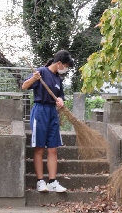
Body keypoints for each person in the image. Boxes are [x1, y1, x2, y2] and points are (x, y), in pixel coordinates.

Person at [22, 50, 74, 193]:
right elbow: (24, 86)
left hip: (52, 112)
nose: (66, 69)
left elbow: (60, 95)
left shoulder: (58, 79)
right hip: (40, 111)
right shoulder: (41, 72)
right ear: (59, 63)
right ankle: (40, 181)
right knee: (39, 148)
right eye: (66, 66)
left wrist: (60, 101)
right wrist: (34, 79)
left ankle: (52, 181)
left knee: (53, 149)